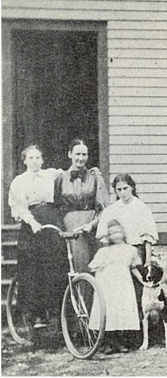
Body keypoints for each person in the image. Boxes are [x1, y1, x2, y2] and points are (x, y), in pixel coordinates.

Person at [8, 145, 69, 330]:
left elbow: (68, 171)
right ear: (25, 160)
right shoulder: (19, 181)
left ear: (42, 160)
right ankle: (33, 314)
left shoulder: (51, 174)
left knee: (56, 263)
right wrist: (31, 221)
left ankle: (58, 313)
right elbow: (18, 206)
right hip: (31, 222)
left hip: (50, 217)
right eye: (31, 158)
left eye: (38, 158)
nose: (34, 161)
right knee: (32, 268)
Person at [96, 173, 159, 349]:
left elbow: (147, 238)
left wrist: (147, 261)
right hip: (117, 257)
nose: (122, 193)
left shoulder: (141, 208)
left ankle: (139, 337)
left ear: (132, 188)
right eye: (119, 190)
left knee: (139, 295)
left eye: (125, 188)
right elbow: (105, 238)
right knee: (119, 297)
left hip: (136, 253)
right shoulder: (111, 210)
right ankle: (117, 337)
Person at [89, 219, 147, 354]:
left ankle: (121, 343)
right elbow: (93, 266)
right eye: (111, 233)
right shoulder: (104, 251)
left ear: (123, 232)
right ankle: (109, 343)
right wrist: (101, 266)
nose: (115, 235)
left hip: (123, 284)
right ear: (108, 236)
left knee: (122, 311)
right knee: (109, 311)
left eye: (117, 232)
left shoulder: (130, 250)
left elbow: (133, 267)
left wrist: (142, 281)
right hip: (108, 284)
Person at [54, 139, 109, 272]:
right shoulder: (60, 179)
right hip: (70, 227)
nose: (81, 158)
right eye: (77, 154)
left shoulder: (95, 177)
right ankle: (78, 293)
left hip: (92, 225)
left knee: (97, 265)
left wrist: (93, 224)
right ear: (69, 154)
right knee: (78, 264)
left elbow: (104, 207)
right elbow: (56, 207)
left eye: (84, 155)